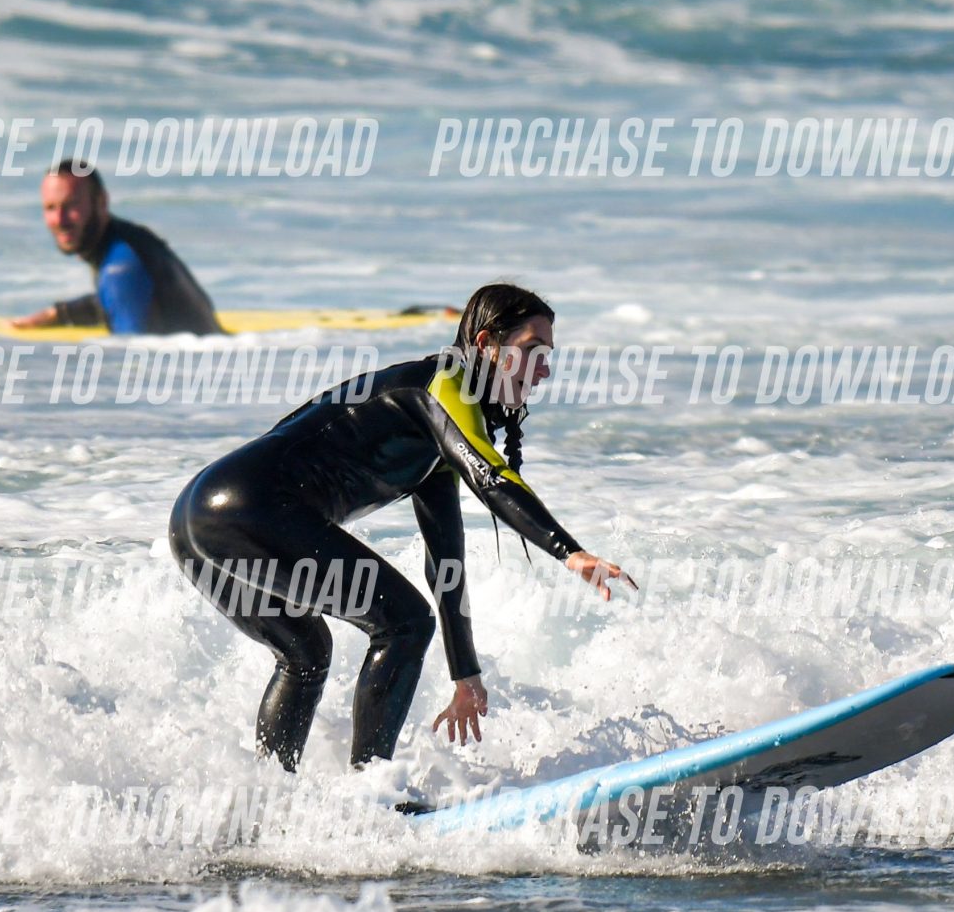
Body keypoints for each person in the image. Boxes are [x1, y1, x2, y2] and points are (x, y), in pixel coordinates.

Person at [169, 282, 632, 770]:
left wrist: (465, 675)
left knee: (305, 654)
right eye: (533, 350)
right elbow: (492, 478)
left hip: (196, 521)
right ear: (486, 345)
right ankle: (373, 790)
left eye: (548, 355)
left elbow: (446, 561)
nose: (544, 369)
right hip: (247, 506)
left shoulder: (435, 437)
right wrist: (568, 550)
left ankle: (266, 795)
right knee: (403, 623)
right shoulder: (444, 385)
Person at [9, 160, 223, 336]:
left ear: (101, 202)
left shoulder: (120, 270)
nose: (59, 219)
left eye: (71, 205)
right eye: (50, 208)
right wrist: (61, 313)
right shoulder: (130, 243)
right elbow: (118, 299)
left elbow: (132, 358)